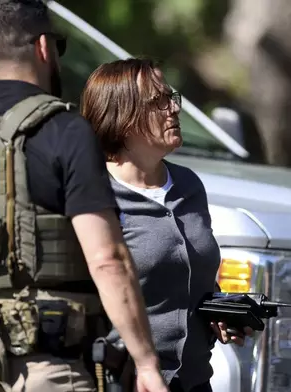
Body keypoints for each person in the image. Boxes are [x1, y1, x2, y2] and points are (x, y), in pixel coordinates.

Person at [0, 1, 169, 391]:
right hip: (42, 369)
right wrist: (145, 362)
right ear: (44, 47)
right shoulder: (65, 132)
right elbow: (107, 259)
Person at [80, 58, 253, 392]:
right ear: (123, 116)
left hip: (194, 383)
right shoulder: (93, 193)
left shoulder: (188, 185)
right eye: (158, 102)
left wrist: (217, 309)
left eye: (172, 98)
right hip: (122, 382)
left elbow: (188, 277)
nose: (174, 108)